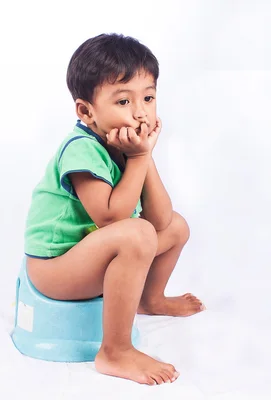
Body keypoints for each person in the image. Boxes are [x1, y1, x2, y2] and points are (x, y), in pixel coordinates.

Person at [23, 33, 205, 385]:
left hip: (90, 257)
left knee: (176, 226)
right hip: (54, 270)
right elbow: (111, 219)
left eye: (149, 98)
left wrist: (144, 156)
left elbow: (160, 220)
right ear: (86, 111)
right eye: (123, 102)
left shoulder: (126, 145)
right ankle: (115, 350)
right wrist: (137, 158)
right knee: (136, 233)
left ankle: (149, 299)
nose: (140, 112)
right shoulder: (81, 150)